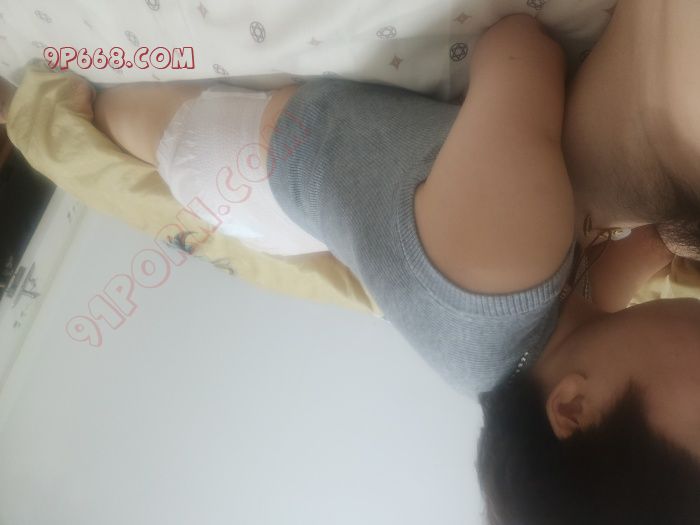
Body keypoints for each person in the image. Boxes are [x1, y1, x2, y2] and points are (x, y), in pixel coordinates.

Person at [5, 11, 700, 523]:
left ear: (573, 407)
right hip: (338, 211)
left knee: (130, 118)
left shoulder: (505, 258)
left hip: (252, 160)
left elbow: (519, 50)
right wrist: (654, 244)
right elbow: (630, 266)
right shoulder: (560, 350)